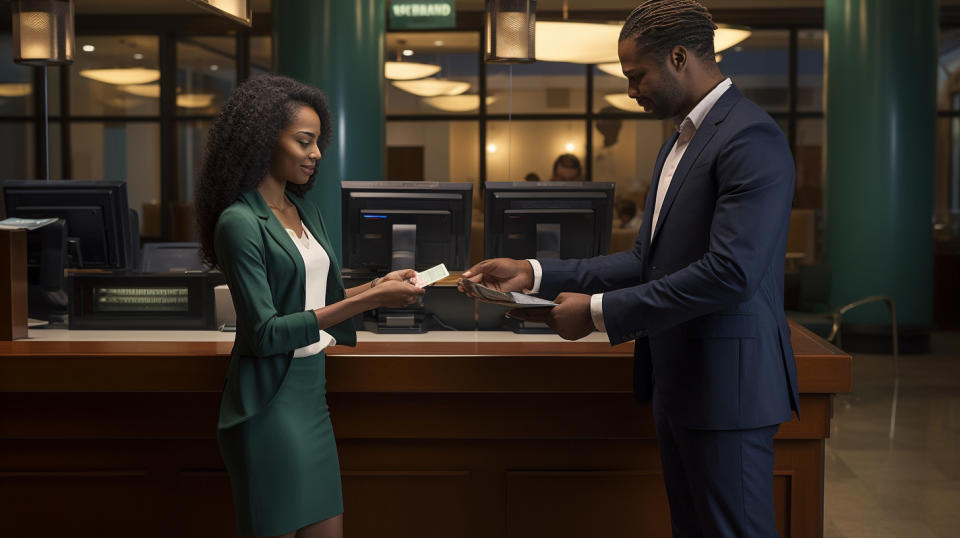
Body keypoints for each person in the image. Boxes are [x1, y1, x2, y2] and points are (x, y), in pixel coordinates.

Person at [459, 1, 798, 536]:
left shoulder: (749, 136)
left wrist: (597, 313)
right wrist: (536, 272)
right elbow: (647, 260)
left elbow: (731, 273)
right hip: (679, 380)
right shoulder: (677, 144)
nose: (631, 89)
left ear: (680, 57)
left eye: (636, 76)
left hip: (728, 388)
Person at [195, 74, 424, 538]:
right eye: (305, 141)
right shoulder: (239, 222)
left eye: (318, 142)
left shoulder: (306, 211)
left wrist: (375, 287)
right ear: (263, 140)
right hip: (268, 402)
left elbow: (324, 302)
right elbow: (264, 334)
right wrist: (372, 300)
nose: (317, 153)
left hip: (311, 396)